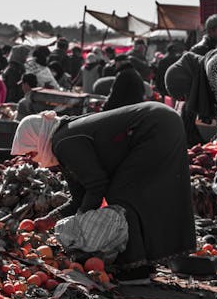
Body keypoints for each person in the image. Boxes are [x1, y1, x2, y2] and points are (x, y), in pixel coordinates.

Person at [11, 103, 195, 284]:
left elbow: (97, 185)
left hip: (155, 127)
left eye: (29, 151)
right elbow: (79, 197)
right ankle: (144, 264)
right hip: (161, 123)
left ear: (37, 137)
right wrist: (51, 219)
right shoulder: (62, 143)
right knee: (135, 196)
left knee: (121, 194)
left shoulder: (65, 143)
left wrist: (81, 226)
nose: (30, 158)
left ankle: (135, 270)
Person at [164, 49, 217, 144]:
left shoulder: (215, 66)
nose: (189, 103)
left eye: (185, 97)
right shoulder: (209, 72)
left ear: (189, 84)